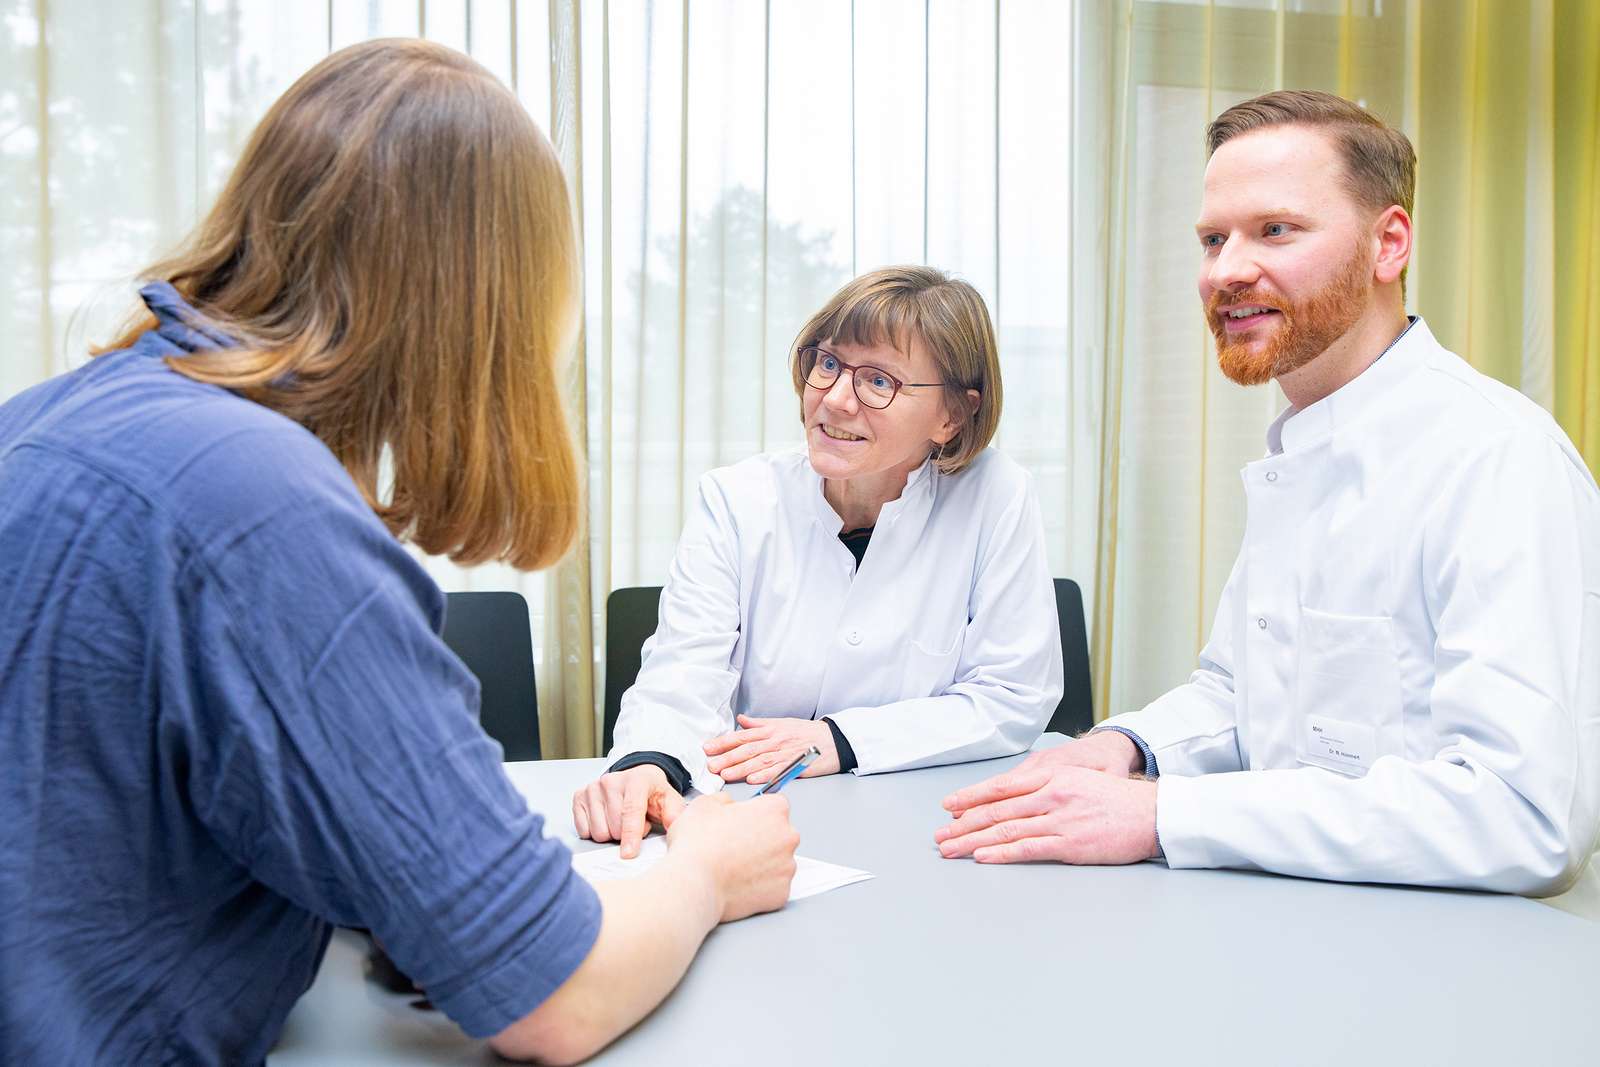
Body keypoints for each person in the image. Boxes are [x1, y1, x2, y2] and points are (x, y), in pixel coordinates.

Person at [0, 39, 798, 1066]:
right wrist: (707, 872)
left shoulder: (54, 416)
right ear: (486, 310)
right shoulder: (257, 501)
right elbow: (556, 999)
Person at [935, 89, 1600, 896]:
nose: (1226, 270)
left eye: (1275, 230)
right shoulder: (1305, 444)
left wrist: (1162, 814)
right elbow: (1240, 693)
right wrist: (1124, 747)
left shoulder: (1496, 457)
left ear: (1389, 243)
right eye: (1214, 238)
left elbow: (1522, 813)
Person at [574, 267, 1064, 857]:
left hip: (920, 828)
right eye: (827, 364)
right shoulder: (736, 499)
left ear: (952, 416)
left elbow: (1012, 694)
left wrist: (841, 740)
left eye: (878, 381)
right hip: (746, 821)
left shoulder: (997, 495)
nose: (832, 400)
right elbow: (683, 668)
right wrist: (650, 761)